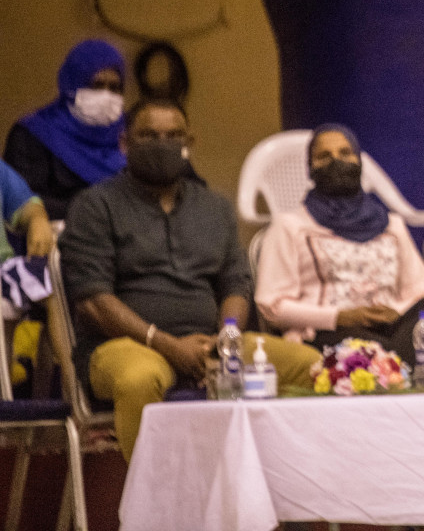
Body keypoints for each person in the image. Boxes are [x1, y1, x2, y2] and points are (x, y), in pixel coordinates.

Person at [58, 98, 320, 459]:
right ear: (124, 143)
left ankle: (288, 502)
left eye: (173, 135)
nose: (162, 144)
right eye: (149, 135)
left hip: (211, 345)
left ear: (189, 143)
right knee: (139, 381)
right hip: (127, 345)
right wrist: (166, 344)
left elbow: (236, 282)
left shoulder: (214, 208)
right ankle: (153, 508)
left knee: (311, 367)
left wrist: (225, 338)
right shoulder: (96, 206)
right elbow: (93, 302)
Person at [255, 124, 424, 359]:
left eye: (345, 153)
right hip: (329, 332)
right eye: (324, 157)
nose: (336, 161)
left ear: (359, 162)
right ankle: (397, 370)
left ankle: (393, 365)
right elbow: (272, 306)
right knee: (375, 348)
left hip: (392, 330)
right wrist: (341, 317)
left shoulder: (391, 225)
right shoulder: (289, 226)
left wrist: (391, 313)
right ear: (309, 170)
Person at [5, 39, 128, 221]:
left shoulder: (131, 132)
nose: (106, 95)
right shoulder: (34, 134)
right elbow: (21, 199)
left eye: (114, 87)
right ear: (72, 84)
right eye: (96, 85)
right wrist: (98, 211)